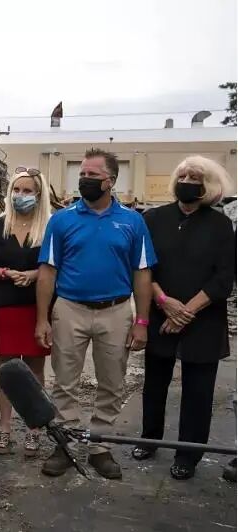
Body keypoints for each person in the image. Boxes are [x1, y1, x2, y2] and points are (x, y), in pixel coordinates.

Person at [35, 147, 156, 479]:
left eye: (93, 175)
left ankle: (100, 447)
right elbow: (47, 271)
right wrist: (42, 319)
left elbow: (142, 274)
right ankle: (65, 445)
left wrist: (142, 322)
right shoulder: (61, 220)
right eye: (82, 174)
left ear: (111, 181)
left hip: (116, 312)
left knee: (112, 383)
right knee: (64, 382)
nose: (85, 179)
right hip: (69, 310)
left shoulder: (133, 221)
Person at [131, 155, 236, 480]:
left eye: (196, 178)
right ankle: (149, 439)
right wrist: (163, 301)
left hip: (203, 319)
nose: (187, 181)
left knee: (198, 392)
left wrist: (186, 311)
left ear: (209, 186)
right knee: (154, 383)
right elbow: (143, 266)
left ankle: (188, 455)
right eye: (183, 175)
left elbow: (224, 277)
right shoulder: (153, 218)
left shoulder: (221, 225)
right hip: (160, 311)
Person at [0, 167, 52, 456]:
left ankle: (34, 428)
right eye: (16, 190)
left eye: (27, 191)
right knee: (7, 368)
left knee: (35, 368)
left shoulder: (49, 227)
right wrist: (4, 273)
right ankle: (5, 427)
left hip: (37, 306)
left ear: (39, 194)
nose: (20, 195)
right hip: (6, 305)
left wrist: (34, 275)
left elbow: (58, 264)